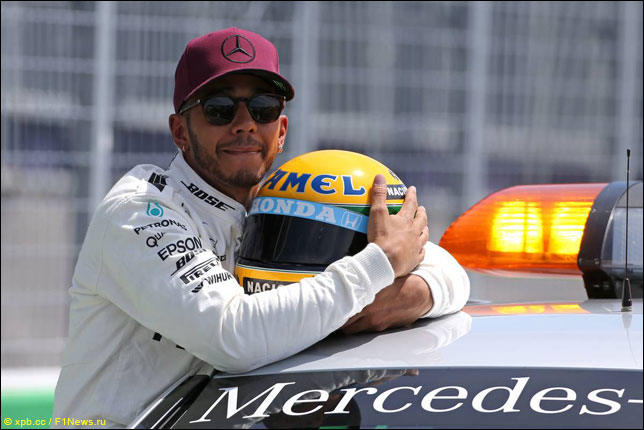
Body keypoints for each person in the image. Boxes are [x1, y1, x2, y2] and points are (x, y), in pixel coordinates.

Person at [52, 27, 469, 428]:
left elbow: (447, 270)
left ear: (281, 131)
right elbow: (233, 337)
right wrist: (377, 267)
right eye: (219, 108)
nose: (245, 124)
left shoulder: (289, 198)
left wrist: (408, 295)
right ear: (180, 131)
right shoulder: (138, 210)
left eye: (263, 108)